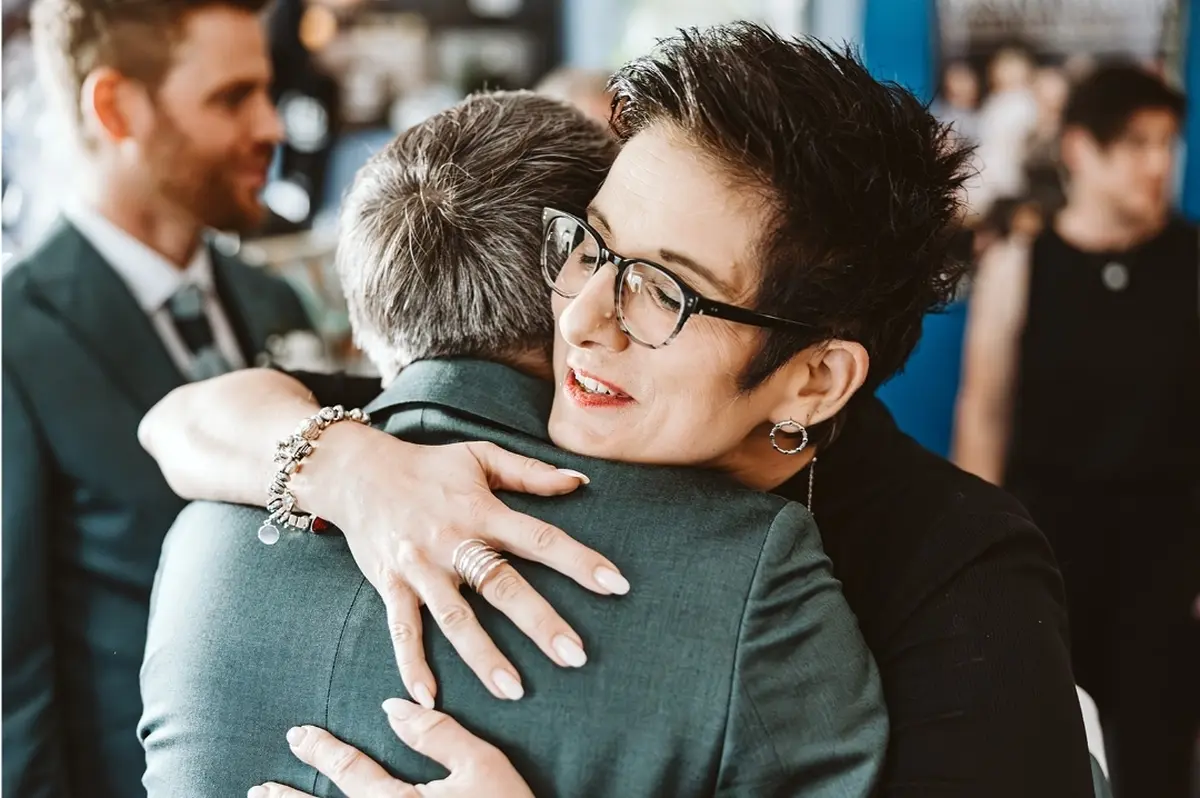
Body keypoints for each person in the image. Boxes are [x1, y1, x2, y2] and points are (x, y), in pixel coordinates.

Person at [142, 25, 1097, 798]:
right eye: (591, 247)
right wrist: (346, 467)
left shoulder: (962, 572)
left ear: (813, 381)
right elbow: (181, 424)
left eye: (666, 294)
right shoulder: (514, 407)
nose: (584, 320)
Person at [1, 1, 313, 794]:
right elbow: (10, 675)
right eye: (230, 97)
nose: (271, 126)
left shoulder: (273, 304)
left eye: (266, 92)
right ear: (116, 107)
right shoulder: (16, 340)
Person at [955, 63, 1200, 798]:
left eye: (1167, 143)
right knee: (1044, 758)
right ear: (1079, 151)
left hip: (1169, 560)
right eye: (1135, 144)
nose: (1158, 163)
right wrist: (972, 564)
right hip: (1048, 551)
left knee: (1158, 762)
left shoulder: (1193, 262)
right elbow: (984, 415)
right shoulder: (1022, 263)